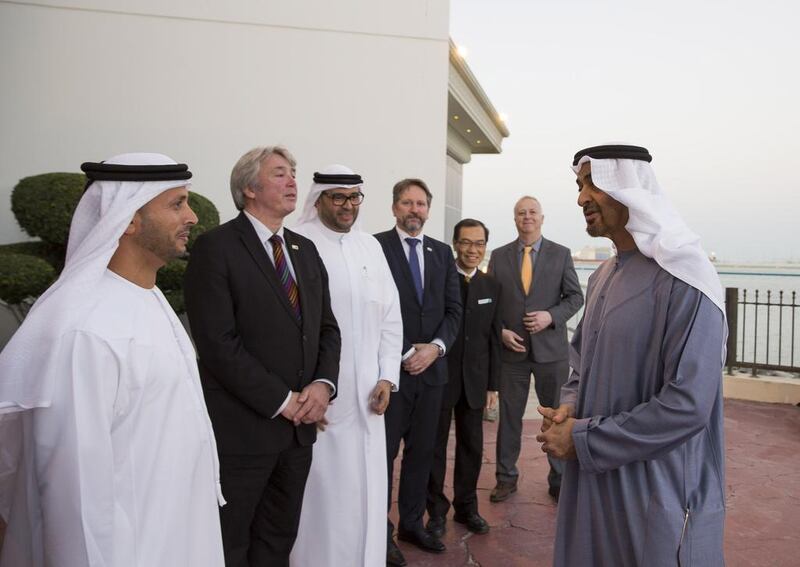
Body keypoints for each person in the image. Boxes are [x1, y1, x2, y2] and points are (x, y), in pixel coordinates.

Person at [0, 153, 225, 567]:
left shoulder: (149, 297)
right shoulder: (85, 327)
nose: (193, 216)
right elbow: (75, 494)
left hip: (176, 533)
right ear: (127, 218)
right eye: (176, 204)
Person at [537, 144, 727, 566]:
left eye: (594, 184)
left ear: (631, 190)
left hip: (657, 492)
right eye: (579, 185)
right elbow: (579, 367)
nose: (581, 197)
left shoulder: (686, 279)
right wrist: (569, 409)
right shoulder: (603, 275)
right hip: (593, 485)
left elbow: (688, 405)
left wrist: (585, 439)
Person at [183, 146, 341, 567]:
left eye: (293, 174)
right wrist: (284, 400)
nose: (292, 182)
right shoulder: (215, 248)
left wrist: (323, 386)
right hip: (242, 433)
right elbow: (218, 344)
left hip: (298, 434)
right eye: (279, 174)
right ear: (249, 188)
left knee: (278, 538)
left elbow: (327, 328)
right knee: (231, 541)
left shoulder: (304, 249)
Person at [289, 165, 403, 567]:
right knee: (324, 496)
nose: (348, 206)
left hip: (370, 398)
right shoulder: (298, 244)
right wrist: (307, 389)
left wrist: (388, 375)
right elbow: (293, 327)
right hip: (323, 398)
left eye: (354, 197)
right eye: (338, 197)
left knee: (369, 490)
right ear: (317, 199)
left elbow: (391, 315)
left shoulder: (369, 246)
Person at [374, 179, 462, 566]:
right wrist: (408, 350)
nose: (415, 210)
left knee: (422, 455)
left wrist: (436, 348)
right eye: (407, 203)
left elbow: (454, 311)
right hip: (389, 375)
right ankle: (380, 533)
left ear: (428, 209)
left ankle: (412, 523)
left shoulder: (442, 253)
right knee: (384, 456)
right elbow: (373, 308)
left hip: (432, 375)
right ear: (395, 208)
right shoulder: (375, 247)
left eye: (421, 204)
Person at [488, 196, 583, 502]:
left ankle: (559, 479)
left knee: (555, 416)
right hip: (511, 353)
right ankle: (505, 477)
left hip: (551, 353)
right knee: (509, 418)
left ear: (542, 218)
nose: (527, 217)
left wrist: (550, 316)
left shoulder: (561, 254)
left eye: (532, 212)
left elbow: (575, 297)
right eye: (521, 213)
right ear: (515, 219)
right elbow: (489, 301)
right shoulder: (500, 256)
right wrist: (500, 330)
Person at [426, 218, 501, 538]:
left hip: (475, 381)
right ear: (455, 244)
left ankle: (466, 507)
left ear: (486, 246)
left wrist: (492, 385)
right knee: (434, 447)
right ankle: (436, 511)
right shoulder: (440, 281)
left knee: (472, 447)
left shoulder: (492, 286)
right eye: (467, 243)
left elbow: (494, 339)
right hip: (440, 378)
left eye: (479, 243)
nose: (473, 250)